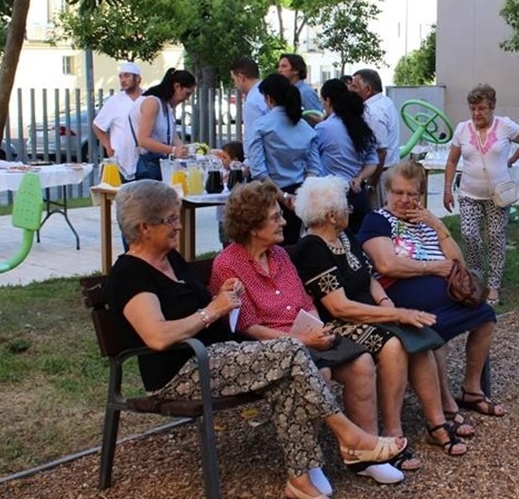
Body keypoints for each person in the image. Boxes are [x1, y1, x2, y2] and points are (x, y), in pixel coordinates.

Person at [108, 179, 406, 499]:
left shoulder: (172, 260)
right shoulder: (130, 272)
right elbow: (157, 336)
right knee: (291, 350)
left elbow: (206, 307)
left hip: (217, 356)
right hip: (181, 372)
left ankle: (300, 481)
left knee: (289, 372)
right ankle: (351, 437)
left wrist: (223, 298)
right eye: (170, 219)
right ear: (144, 228)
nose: (178, 226)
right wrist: (212, 310)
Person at [209, 181, 406, 485]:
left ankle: (364, 451)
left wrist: (317, 328)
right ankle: (309, 460)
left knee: (361, 362)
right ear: (251, 225)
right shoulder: (228, 264)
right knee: (321, 373)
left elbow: (305, 301)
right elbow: (249, 328)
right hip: (269, 349)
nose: (285, 222)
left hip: (304, 335)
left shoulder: (280, 256)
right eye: (276, 217)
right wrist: (304, 340)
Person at [293, 176, 471, 470]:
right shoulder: (312, 247)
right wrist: (395, 315)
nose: (350, 209)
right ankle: (392, 432)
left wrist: (389, 305)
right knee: (393, 346)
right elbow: (340, 307)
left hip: (369, 314)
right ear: (330, 214)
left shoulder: (344, 236)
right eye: (345, 206)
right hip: (338, 323)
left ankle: (436, 423)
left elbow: (369, 278)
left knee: (419, 337)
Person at [359, 159, 507, 420]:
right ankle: (444, 404)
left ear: (421, 195)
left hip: (445, 296)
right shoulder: (377, 221)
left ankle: (471, 389)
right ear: (388, 192)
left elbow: (458, 265)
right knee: (434, 331)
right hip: (399, 298)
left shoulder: (425, 221)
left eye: (412, 194)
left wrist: (437, 226)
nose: (404, 200)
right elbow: (387, 264)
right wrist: (433, 268)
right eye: (398, 193)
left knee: (485, 316)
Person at [442, 84, 519, 306]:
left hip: (497, 195)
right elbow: (452, 160)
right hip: (469, 193)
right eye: (473, 108)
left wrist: (510, 160)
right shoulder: (463, 129)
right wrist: (446, 189)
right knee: (469, 234)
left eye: (481, 108)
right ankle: (475, 277)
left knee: (495, 237)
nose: (476, 113)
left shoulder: (505, 126)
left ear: (491, 107)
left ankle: (493, 285)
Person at [248, 73, 322, 245]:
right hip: (300, 194)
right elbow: (314, 169)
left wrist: (283, 197)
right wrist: (300, 195)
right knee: (296, 245)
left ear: (268, 98)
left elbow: (258, 171)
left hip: (270, 194)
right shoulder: (306, 128)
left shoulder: (261, 126)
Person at [316, 80, 378, 234]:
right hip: (356, 193)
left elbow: (311, 161)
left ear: (328, 100)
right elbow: (373, 161)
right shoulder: (361, 127)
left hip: (331, 197)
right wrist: (359, 178)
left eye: (322, 100)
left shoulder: (323, 129)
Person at [128, 68, 195, 181]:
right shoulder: (152, 102)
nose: (186, 99)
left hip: (154, 164)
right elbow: (143, 140)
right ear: (177, 87)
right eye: (187, 94)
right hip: (140, 167)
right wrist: (173, 150)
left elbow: (174, 139)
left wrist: (188, 151)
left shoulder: (166, 106)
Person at [351, 68, 400, 205]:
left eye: (355, 86)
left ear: (367, 90)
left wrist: (371, 185)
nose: (351, 90)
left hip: (379, 176)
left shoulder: (372, 112)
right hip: (386, 172)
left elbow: (380, 152)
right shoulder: (386, 102)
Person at [91, 62, 143, 180]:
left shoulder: (148, 98)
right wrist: (108, 146)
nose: (123, 80)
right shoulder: (114, 101)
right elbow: (97, 125)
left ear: (138, 78)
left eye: (127, 76)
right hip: (121, 158)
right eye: (121, 77)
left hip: (145, 158)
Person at [228, 56, 268, 155]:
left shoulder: (252, 102)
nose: (235, 85)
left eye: (234, 80)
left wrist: (248, 164)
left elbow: (253, 139)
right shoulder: (268, 92)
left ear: (241, 77)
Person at [278, 53, 323, 124]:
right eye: (279, 66)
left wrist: (300, 113)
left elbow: (319, 119)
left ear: (296, 70)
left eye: (284, 66)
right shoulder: (285, 90)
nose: (279, 70)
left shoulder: (306, 92)